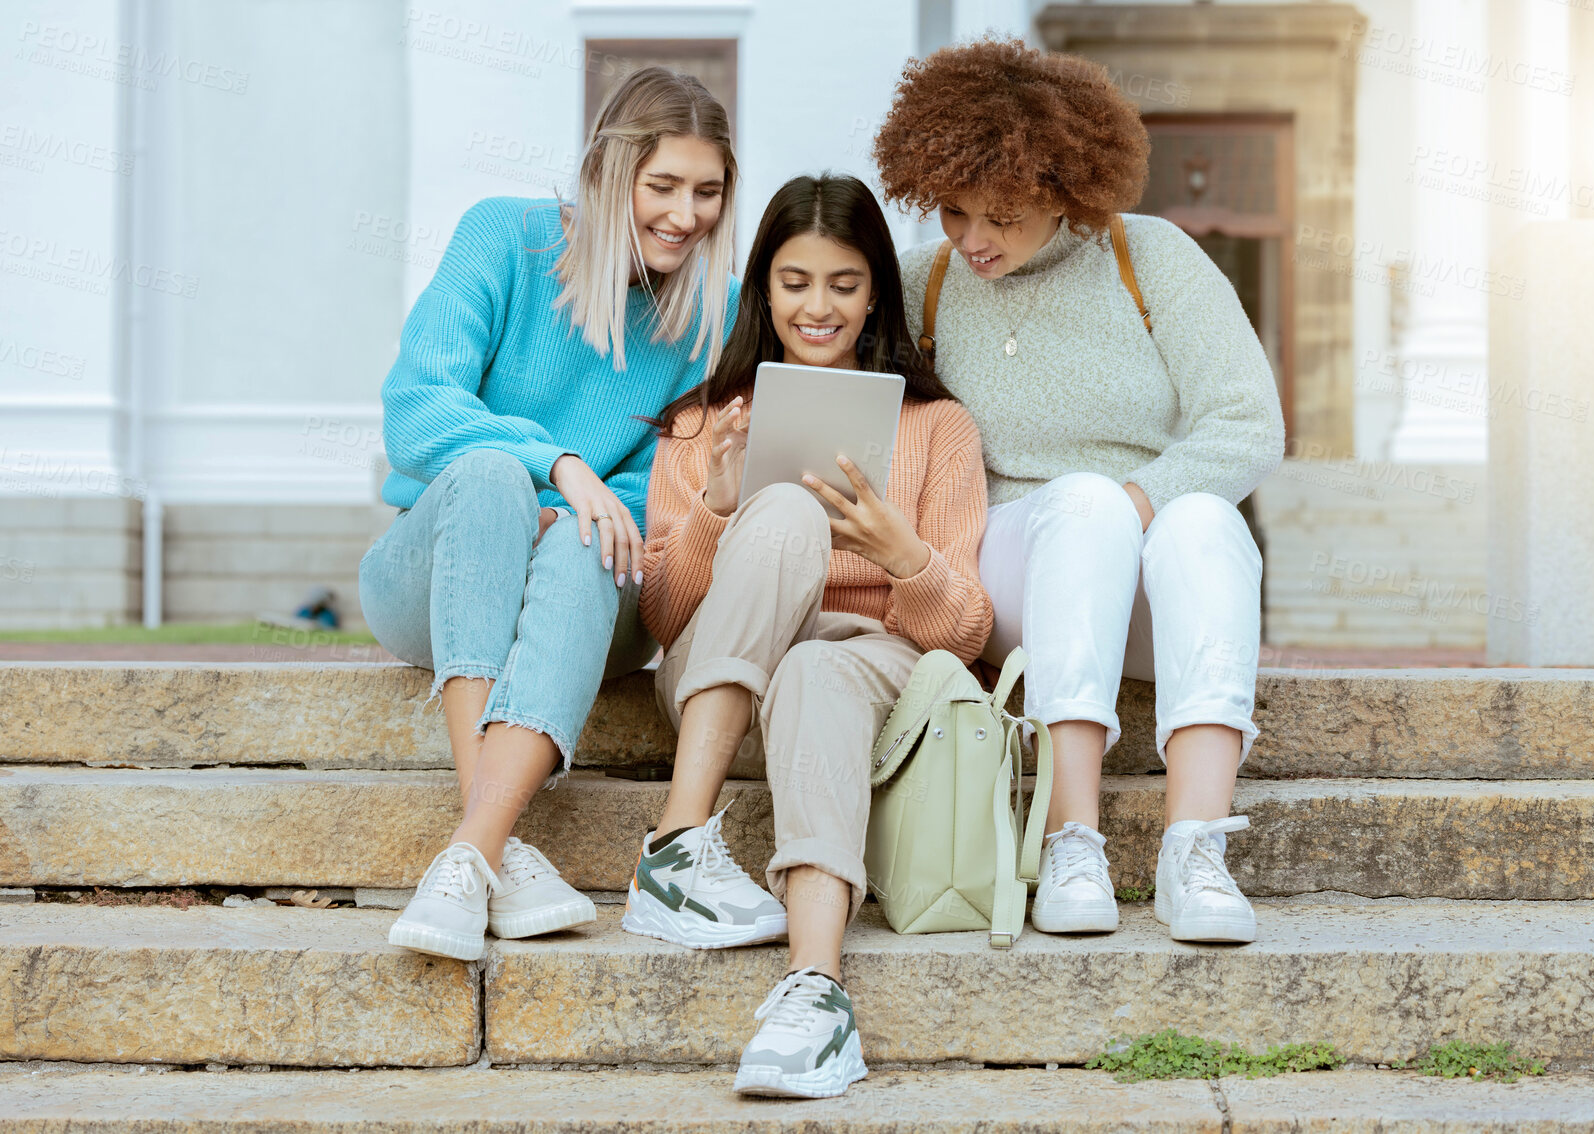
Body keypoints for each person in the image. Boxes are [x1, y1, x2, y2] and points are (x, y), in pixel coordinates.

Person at [874, 40, 1285, 943]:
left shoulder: (1156, 260)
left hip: (1141, 577)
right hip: (1013, 567)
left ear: (1066, 192)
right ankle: (1071, 840)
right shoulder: (922, 285)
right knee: (1086, 505)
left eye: (1005, 217)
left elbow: (1248, 426)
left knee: (1206, 519)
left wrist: (1141, 502)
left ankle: (1196, 851)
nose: (973, 239)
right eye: (952, 211)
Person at [360, 67, 739, 961]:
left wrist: (583, 505)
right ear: (609, 175)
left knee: (586, 536)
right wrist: (559, 466)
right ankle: (491, 841)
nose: (687, 214)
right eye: (663, 186)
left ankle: (471, 857)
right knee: (492, 472)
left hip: (592, 590)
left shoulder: (712, 315)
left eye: (709, 191)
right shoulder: (505, 239)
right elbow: (417, 409)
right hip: (436, 567)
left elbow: (663, 489)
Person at [632, 174, 992, 1098]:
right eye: (795, 283)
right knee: (785, 509)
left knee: (818, 671)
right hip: (722, 655)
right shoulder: (702, 420)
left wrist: (903, 554)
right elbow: (662, 620)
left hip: (865, 655)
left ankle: (816, 991)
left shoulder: (938, 426)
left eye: (843, 282)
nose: (818, 306)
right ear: (764, 289)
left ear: (876, 291)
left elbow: (966, 631)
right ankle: (677, 849)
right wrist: (716, 508)